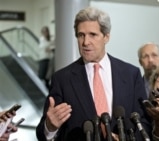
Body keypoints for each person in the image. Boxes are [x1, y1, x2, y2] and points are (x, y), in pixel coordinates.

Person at [36, 6, 150, 141]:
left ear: (106, 37)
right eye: (80, 35)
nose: (85, 42)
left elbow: (144, 123)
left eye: (93, 35)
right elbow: (42, 133)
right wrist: (50, 127)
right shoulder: (62, 79)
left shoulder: (131, 74)